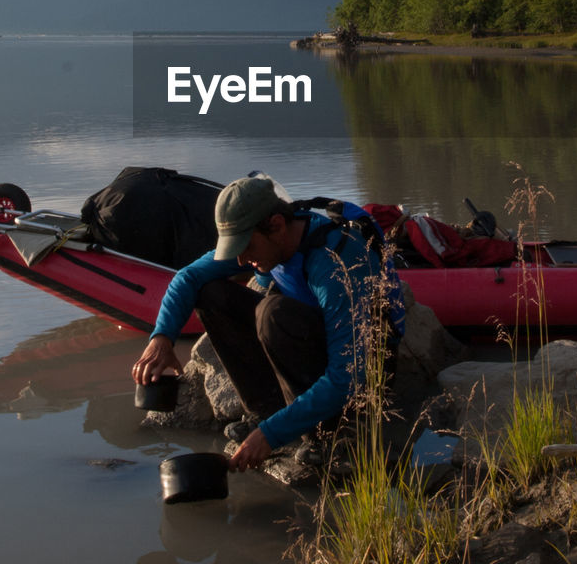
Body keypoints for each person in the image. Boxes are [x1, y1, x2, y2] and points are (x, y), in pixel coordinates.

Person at [131, 175, 403, 470]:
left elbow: (348, 376)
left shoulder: (334, 263)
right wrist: (162, 338)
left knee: (273, 314)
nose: (240, 260)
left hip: (365, 364)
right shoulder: (270, 241)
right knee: (211, 292)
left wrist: (271, 437)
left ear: (276, 225)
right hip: (313, 334)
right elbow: (188, 277)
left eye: (245, 246)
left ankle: (328, 436)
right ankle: (266, 413)